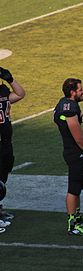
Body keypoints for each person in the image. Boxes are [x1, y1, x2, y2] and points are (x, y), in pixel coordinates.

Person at [54, 78, 83, 236]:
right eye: (80, 89)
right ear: (72, 92)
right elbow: (78, 137)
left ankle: (78, 218)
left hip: (71, 150)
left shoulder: (63, 103)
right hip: (75, 152)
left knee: (77, 188)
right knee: (73, 188)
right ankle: (72, 223)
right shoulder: (70, 109)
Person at [0, 67, 25, 231]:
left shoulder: (2, 89)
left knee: (3, 175)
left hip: (6, 141)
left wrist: (10, 79)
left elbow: (20, 94)